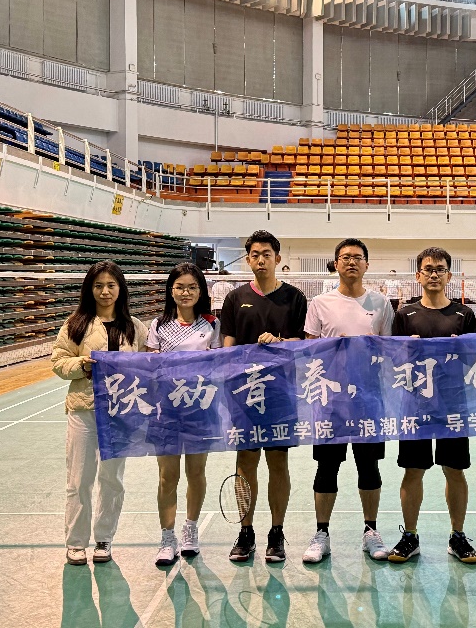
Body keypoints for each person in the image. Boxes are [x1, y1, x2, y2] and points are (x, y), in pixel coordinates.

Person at [302, 239, 393, 564]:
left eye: (357, 257)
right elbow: (309, 351)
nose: (351, 262)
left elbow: (389, 351)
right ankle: (321, 534)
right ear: (336, 264)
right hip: (330, 403)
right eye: (345, 257)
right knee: (327, 467)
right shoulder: (320, 303)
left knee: (369, 466)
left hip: (368, 400)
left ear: (367, 264)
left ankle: (371, 531)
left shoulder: (382, 304)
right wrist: (333, 349)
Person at [52, 261, 148, 566]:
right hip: (84, 410)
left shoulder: (135, 327)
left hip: (121, 414)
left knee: (112, 479)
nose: (105, 291)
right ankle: (76, 543)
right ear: (89, 289)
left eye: (111, 285)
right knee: (79, 478)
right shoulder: (75, 324)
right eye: (98, 286)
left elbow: (147, 365)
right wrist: (81, 365)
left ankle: (104, 538)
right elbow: (58, 361)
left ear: (120, 289)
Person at [388, 247, 476, 566]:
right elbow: (393, 361)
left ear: (449, 275)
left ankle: (458, 536)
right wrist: (407, 351)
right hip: (415, 405)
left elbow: (474, 360)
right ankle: (410, 536)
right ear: (418, 275)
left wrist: (460, 349)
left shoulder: (464, 315)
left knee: (454, 470)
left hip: (453, 404)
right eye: (428, 269)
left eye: (440, 269)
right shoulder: (405, 315)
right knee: (413, 470)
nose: (434, 274)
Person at [221, 230, 307, 563]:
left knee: (278, 462)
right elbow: (227, 343)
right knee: (245, 462)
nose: (260, 260)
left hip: (280, 392)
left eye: (266, 254)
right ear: (248, 259)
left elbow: (302, 342)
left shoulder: (295, 298)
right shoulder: (234, 298)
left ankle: (276, 532)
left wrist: (280, 342)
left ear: (277, 259)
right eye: (255, 254)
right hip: (243, 393)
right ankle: (246, 532)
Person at [147, 263, 222, 566]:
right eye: (180, 287)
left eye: (192, 287)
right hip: (166, 411)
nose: (186, 292)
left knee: (196, 472)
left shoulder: (212, 324)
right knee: (168, 476)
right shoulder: (158, 325)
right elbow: (150, 366)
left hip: (200, 410)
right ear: (171, 290)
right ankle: (167, 538)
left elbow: (218, 364)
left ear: (201, 291)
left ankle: (190, 530)